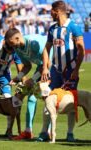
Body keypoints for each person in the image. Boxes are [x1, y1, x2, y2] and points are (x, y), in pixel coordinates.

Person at [39, 0, 85, 142]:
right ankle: (44, 132)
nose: (50, 14)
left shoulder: (73, 27)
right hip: (55, 71)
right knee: (47, 98)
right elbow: (46, 49)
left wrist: (76, 70)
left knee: (71, 103)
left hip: (70, 71)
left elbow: (81, 49)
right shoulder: (52, 29)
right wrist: (45, 67)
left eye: (51, 11)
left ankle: (70, 133)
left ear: (57, 11)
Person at [4, 28, 51, 140]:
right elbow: (27, 66)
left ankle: (48, 132)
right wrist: (17, 78)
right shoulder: (18, 49)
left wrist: (33, 79)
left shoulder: (33, 43)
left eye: (11, 43)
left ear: (17, 38)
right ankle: (28, 131)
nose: (11, 46)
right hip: (42, 68)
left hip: (52, 66)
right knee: (31, 98)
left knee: (48, 98)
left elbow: (47, 61)